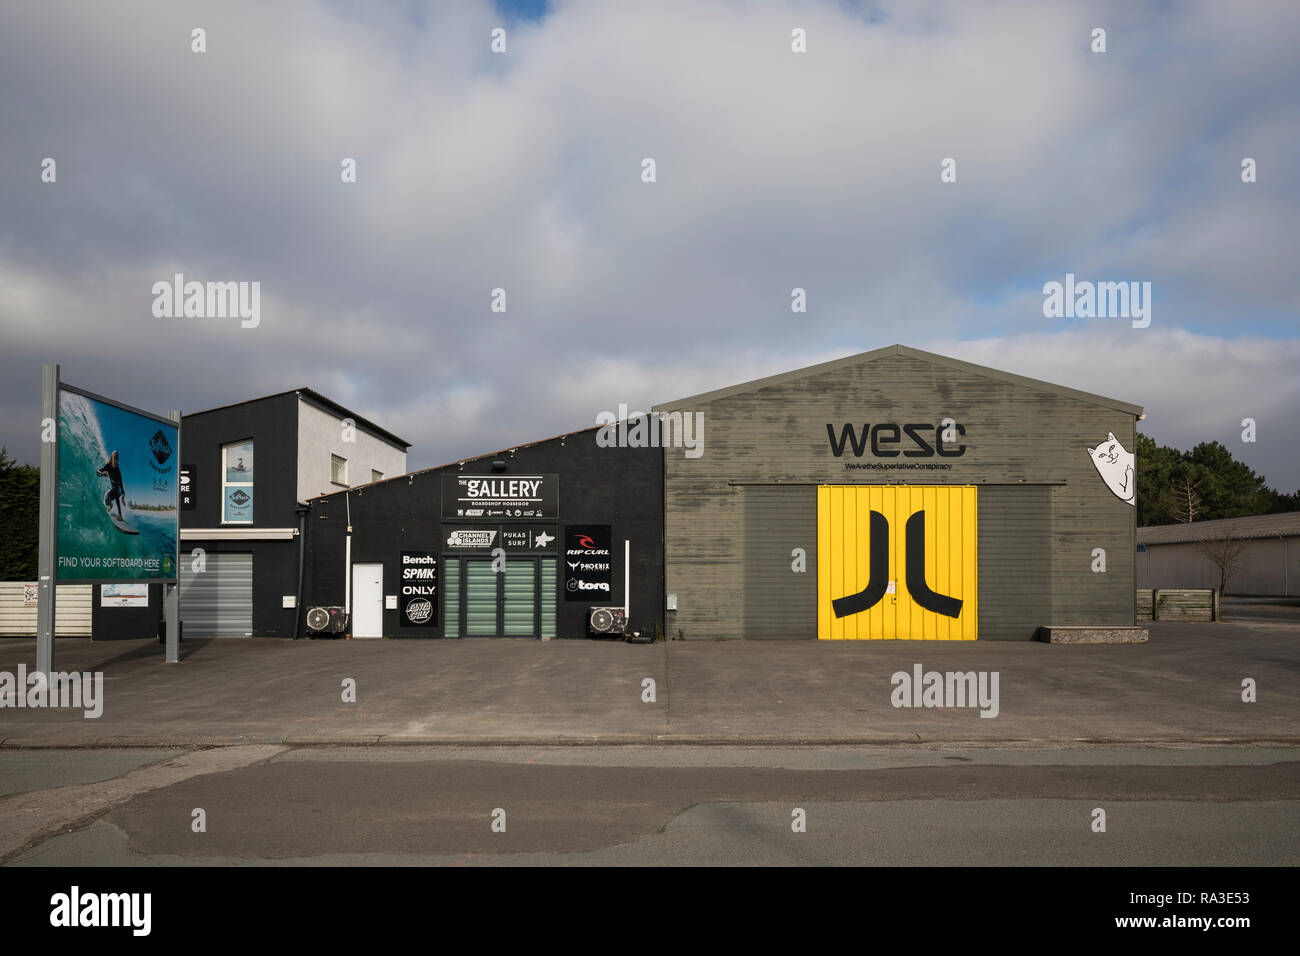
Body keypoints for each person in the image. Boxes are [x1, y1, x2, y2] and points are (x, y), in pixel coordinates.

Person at [97, 450, 125, 519]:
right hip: (113, 489)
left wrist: (123, 497)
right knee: (106, 500)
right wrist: (101, 474)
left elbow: (121, 485)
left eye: (118, 458)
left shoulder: (118, 471)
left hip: (118, 491)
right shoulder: (108, 466)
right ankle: (111, 505)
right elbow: (97, 472)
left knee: (115, 490)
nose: (116, 460)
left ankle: (120, 514)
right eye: (115, 457)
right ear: (112, 457)